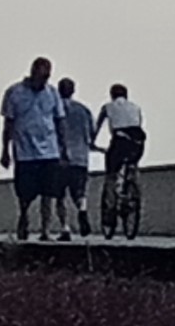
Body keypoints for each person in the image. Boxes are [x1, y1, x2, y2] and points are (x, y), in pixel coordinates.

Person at [0, 56, 67, 241]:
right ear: (33, 73)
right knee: (25, 193)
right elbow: (8, 124)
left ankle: (46, 229)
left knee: (48, 192)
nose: (44, 80)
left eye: (47, 77)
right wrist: (5, 150)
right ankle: (24, 216)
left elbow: (59, 120)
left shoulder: (52, 93)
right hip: (25, 152)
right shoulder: (14, 92)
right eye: (42, 76)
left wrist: (63, 148)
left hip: (50, 150)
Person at [92, 82, 146, 217]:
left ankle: (110, 208)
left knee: (111, 175)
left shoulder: (107, 107)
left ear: (112, 96)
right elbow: (139, 123)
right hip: (138, 142)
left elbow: (96, 128)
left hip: (120, 141)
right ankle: (133, 188)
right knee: (132, 164)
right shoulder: (136, 107)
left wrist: (92, 143)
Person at [56, 77, 95, 239]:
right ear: (73, 90)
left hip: (60, 158)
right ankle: (82, 209)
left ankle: (65, 228)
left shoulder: (55, 109)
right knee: (79, 192)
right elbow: (91, 133)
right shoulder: (84, 110)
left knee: (60, 195)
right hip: (81, 157)